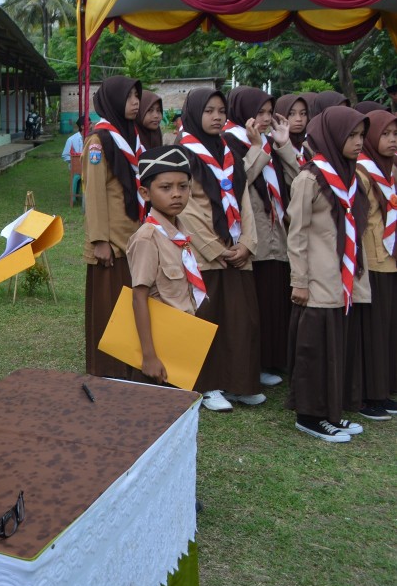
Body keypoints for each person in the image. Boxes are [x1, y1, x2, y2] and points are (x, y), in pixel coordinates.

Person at [287, 106, 371, 442]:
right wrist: (299, 280)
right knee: (316, 349)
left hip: (343, 279)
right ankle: (310, 416)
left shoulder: (350, 175)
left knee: (336, 346)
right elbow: (296, 233)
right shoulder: (310, 178)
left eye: (361, 135)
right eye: (351, 135)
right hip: (317, 279)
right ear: (333, 136)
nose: (358, 142)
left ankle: (332, 412)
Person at [176, 88, 263, 413]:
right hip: (206, 256)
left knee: (242, 320)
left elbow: (244, 201)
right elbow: (185, 208)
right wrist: (217, 249)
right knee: (207, 318)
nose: (217, 116)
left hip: (237, 250)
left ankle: (240, 383)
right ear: (195, 113)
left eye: (221, 110)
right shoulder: (183, 153)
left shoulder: (228, 151)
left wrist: (247, 244)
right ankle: (207, 385)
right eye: (209, 110)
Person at [223, 87, 299, 387]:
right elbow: (237, 181)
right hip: (253, 235)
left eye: (270, 112)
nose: (266, 119)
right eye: (260, 112)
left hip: (278, 234)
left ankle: (272, 359)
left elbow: (297, 182)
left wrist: (282, 146)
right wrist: (259, 149)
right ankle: (257, 362)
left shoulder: (269, 143)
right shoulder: (229, 141)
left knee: (276, 300)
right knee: (259, 305)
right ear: (244, 111)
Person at [127, 145, 207, 384]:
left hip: (180, 340)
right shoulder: (148, 238)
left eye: (183, 187)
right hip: (156, 348)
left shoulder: (180, 232)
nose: (176, 194)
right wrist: (149, 356)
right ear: (145, 193)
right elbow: (138, 297)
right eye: (165, 187)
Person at [82, 76, 144, 379]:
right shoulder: (99, 141)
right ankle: (109, 369)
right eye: (129, 96)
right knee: (111, 306)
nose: (135, 102)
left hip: (135, 237)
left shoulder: (131, 135)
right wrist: (99, 240)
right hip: (113, 242)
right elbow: (93, 194)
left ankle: (132, 364)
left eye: (137, 95)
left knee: (133, 305)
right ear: (114, 100)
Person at [352, 108, 397, 420]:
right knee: (373, 332)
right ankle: (369, 395)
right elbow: (360, 222)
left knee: (388, 331)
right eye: (385, 134)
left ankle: (384, 389)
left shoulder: (390, 170)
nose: (392, 140)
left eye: (396, 134)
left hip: (391, 261)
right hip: (373, 261)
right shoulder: (363, 172)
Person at [275, 93, 310, 166]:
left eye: (303, 113)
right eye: (291, 114)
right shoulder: (271, 146)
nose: (299, 119)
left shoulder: (309, 146)